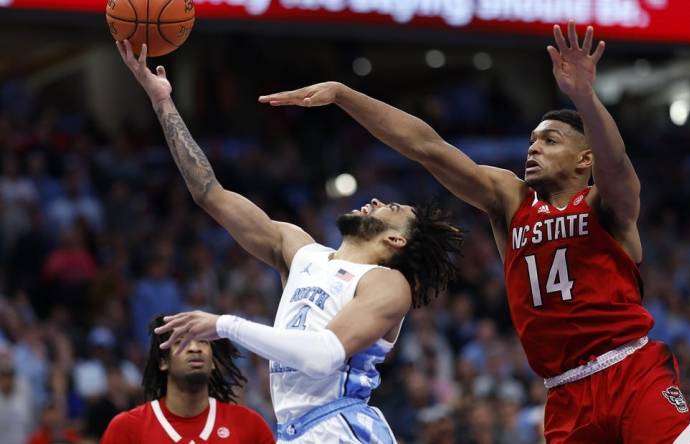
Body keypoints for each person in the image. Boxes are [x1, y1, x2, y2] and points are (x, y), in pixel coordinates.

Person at [259, 22, 690, 443]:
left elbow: (617, 165)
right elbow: (427, 148)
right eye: (532, 139)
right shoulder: (511, 201)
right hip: (563, 393)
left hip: (630, 371)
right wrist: (344, 95)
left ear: (584, 160)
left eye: (550, 140)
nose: (534, 147)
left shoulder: (604, 203)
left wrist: (585, 97)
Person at [115, 40, 463, 443]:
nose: (377, 201)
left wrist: (224, 324)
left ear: (397, 239)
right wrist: (163, 104)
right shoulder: (300, 251)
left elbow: (323, 356)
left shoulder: (385, 283)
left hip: (342, 427)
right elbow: (209, 193)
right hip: (295, 431)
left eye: (393, 207)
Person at [101, 315, 275, 443]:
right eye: (181, 342)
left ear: (213, 362)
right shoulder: (127, 428)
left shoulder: (249, 424)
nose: (194, 348)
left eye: (203, 341)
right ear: (163, 362)